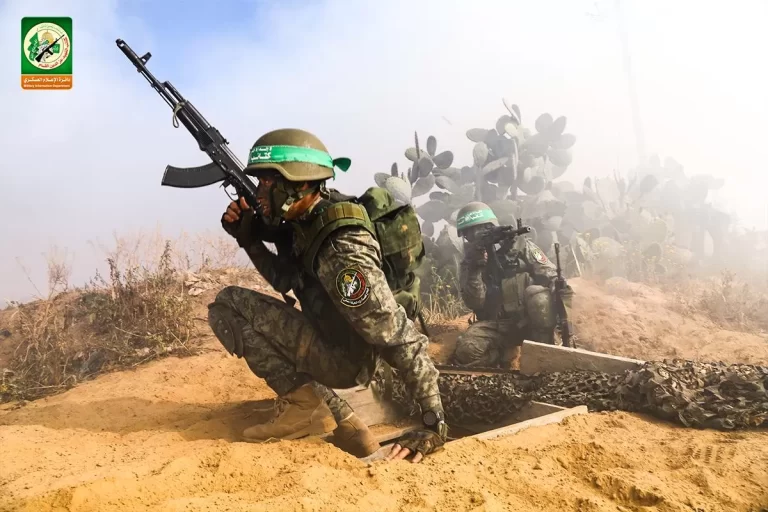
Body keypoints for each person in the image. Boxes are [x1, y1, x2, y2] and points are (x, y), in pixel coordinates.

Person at [209, 128, 447, 462]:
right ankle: (321, 407)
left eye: (266, 182)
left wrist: (432, 421)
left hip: (346, 362)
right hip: (331, 339)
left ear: (300, 184)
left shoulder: (342, 249)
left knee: (228, 305)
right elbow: (283, 278)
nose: (259, 193)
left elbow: (396, 333)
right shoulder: (306, 219)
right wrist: (249, 239)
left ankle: (305, 406)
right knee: (230, 304)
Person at [449, 202, 574, 369]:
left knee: (539, 297)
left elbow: (549, 272)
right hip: (496, 325)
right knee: (467, 351)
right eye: (470, 233)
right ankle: (504, 357)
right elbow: (475, 302)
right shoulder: (469, 263)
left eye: (482, 229)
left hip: (531, 320)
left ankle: (546, 354)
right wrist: (474, 269)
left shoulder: (519, 246)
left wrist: (557, 287)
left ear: (491, 226)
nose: (475, 235)